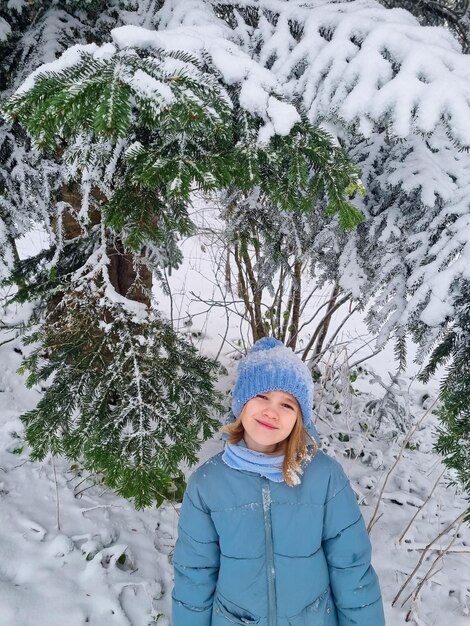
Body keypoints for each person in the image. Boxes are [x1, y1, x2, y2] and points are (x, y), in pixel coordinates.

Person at [172, 337, 385, 626]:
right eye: (261, 396)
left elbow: (352, 569)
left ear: (300, 418)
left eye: (287, 404)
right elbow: (194, 575)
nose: (272, 411)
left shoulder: (324, 477)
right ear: (241, 402)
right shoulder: (207, 485)